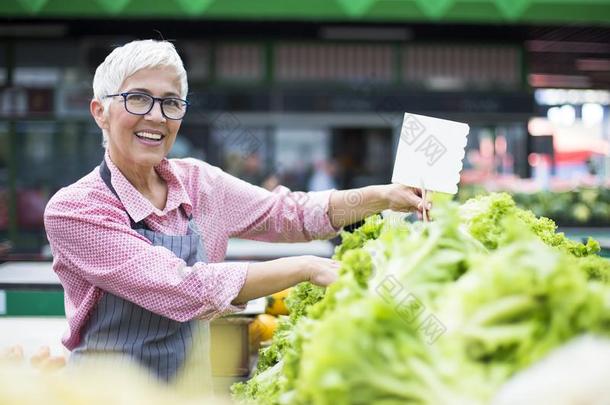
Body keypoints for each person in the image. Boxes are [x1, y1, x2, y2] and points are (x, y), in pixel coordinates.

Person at [43, 39, 428, 390]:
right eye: (138, 99)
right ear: (100, 112)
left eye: (171, 103)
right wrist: (306, 267)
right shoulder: (75, 209)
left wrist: (382, 196)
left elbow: (288, 213)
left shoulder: (198, 182)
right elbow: (181, 286)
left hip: (185, 392)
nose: (157, 117)